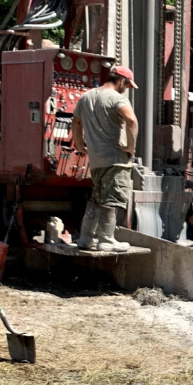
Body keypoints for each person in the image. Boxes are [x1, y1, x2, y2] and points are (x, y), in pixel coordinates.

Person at [71, 66, 138, 251]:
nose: (126, 89)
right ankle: (107, 240)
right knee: (112, 199)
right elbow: (132, 120)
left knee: (96, 199)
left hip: (96, 160)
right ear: (122, 81)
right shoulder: (117, 98)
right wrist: (130, 147)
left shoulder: (86, 97)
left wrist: (79, 145)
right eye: (127, 85)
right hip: (115, 159)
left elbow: (76, 122)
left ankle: (85, 238)